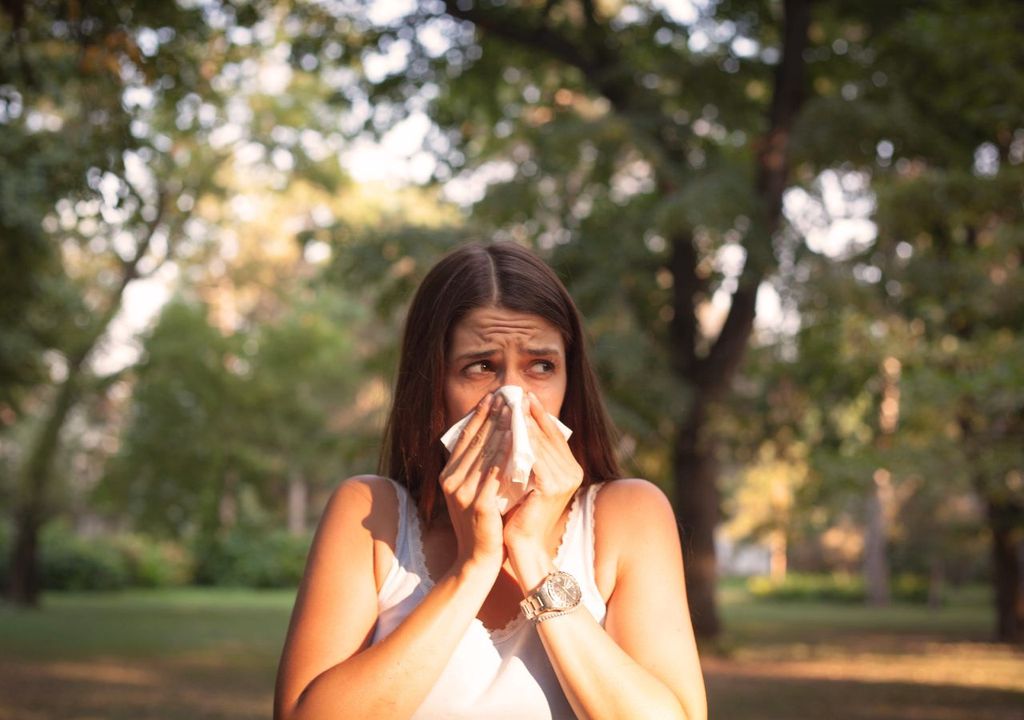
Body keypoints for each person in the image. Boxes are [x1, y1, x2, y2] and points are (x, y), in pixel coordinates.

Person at [274, 242, 707, 719]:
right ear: (433, 383)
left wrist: (532, 556)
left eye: (541, 366)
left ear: (570, 380)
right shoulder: (371, 514)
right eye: (481, 366)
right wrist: (473, 566)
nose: (512, 397)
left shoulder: (627, 515)